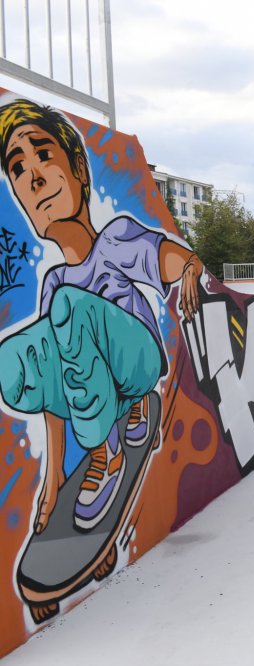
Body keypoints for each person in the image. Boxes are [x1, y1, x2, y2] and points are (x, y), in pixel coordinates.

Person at [0, 98, 203, 531]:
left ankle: (108, 452)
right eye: (18, 168)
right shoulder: (54, 281)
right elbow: (53, 384)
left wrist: (190, 268)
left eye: (43, 155)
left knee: (68, 309)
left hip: (140, 363)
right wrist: (54, 475)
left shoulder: (115, 238)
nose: (33, 177)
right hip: (97, 389)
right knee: (15, 357)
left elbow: (169, 258)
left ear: (79, 168)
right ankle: (109, 429)